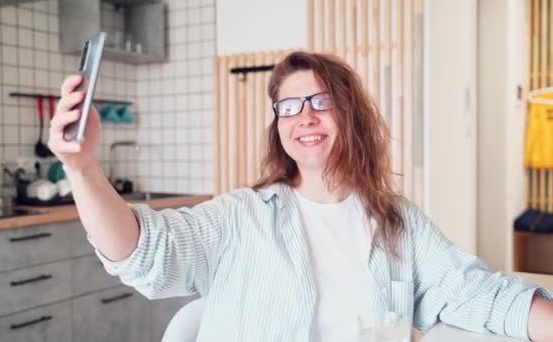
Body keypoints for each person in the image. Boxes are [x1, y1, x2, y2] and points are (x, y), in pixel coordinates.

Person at [49, 51, 553, 341]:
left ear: (350, 116)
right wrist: (82, 167)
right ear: (279, 127)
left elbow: (476, 294)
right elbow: (143, 250)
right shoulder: (240, 216)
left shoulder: (399, 222)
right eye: (288, 106)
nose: (304, 116)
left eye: (320, 101)